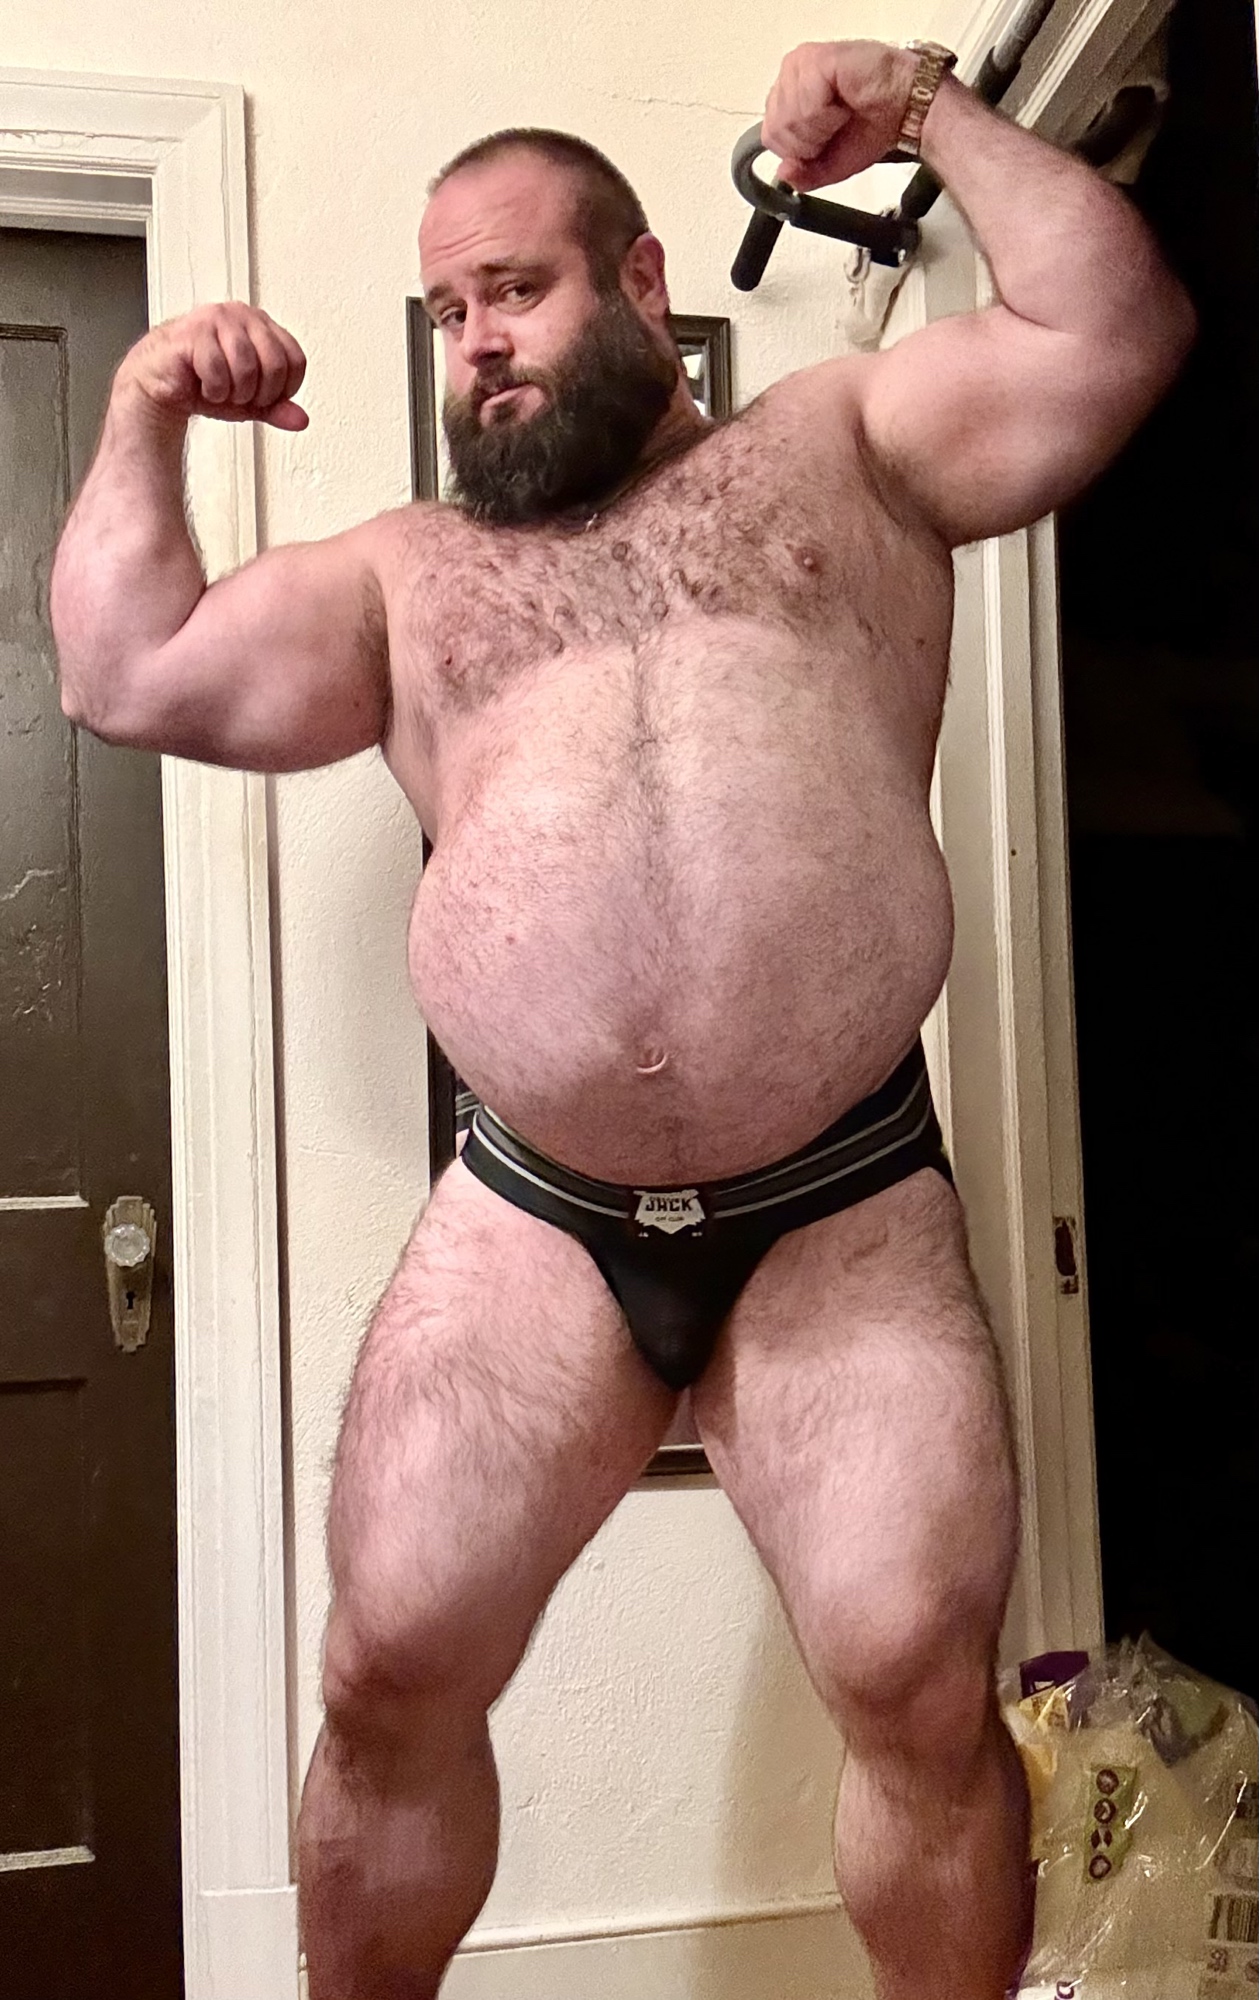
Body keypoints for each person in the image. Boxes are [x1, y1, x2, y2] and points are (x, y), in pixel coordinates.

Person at [50, 38, 1194, 2000]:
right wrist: (147, 401)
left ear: (644, 280)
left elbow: (1116, 325)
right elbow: (123, 668)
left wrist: (930, 110)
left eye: (515, 287)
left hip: (842, 1202)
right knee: (387, 1670)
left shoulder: (848, 444)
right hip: (534, 1219)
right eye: (446, 312)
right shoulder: (408, 574)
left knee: (919, 1690)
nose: (476, 342)